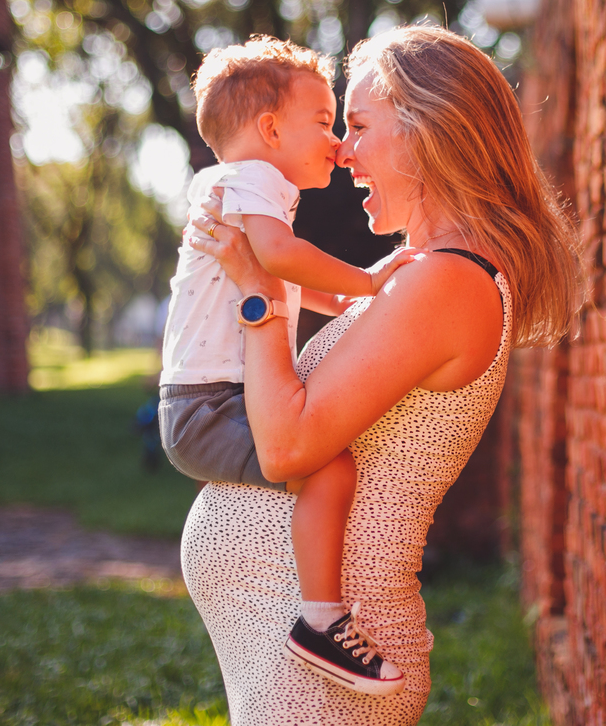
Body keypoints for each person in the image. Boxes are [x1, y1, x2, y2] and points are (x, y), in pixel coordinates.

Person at [181, 24, 585, 725]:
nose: (343, 153)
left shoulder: (447, 284)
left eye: (359, 126)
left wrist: (258, 293)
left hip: (323, 675)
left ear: (426, 132)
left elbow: (286, 448)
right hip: (287, 659)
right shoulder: (426, 277)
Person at [159, 36, 415, 695]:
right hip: (206, 404)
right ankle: (320, 618)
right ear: (269, 129)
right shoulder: (249, 181)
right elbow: (277, 259)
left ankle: (314, 609)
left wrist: (367, 290)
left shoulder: (251, 190)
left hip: (211, 398)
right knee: (327, 468)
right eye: (325, 123)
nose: (335, 141)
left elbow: (293, 280)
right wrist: (369, 281)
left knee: (324, 462)